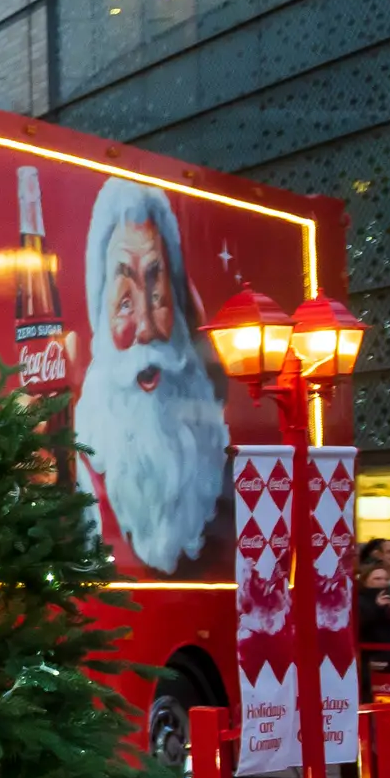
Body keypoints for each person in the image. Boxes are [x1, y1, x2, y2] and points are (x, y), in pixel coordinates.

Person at [69, 178, 233, 575]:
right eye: (125, 301)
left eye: (158, 297)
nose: (145, 328)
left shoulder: (229, 470)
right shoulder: (73, 479)